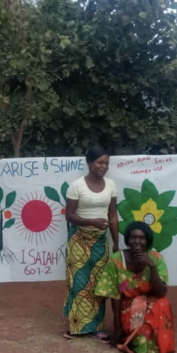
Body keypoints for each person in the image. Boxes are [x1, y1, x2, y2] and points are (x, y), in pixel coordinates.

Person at [95, 221, 176, 353]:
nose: (137, 242)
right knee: (143, 336)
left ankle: (158, 343)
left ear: (147, 240)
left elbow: (161, 293)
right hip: (129, 308)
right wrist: (117, 328)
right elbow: (115, 295)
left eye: (141, 238)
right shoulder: (117, 259)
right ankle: (133, 337)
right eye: (133, 237)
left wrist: (151, 267)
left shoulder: (156, 259)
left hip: (152, 305)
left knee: (162, 303)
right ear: (127, 239)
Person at [63, 146, 119, 341]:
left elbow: (112, 215)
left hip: (100, 242)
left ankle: (96, 327)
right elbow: (69, 216)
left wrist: (116, 242)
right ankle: (76, 327)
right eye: (100, 162)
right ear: (89, 163)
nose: (104, 166)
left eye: (106, 163)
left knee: (98, 284)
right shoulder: (76, 186)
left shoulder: (111, 184)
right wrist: (92, 222)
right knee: (78, 282)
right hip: (78, 239)